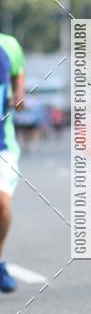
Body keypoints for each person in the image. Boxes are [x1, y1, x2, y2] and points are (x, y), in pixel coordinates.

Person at [0, 32, 26, 293]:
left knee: (1, 203)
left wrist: (19, 91)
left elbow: (19, 70)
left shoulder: (8, 45)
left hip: (3, 143)